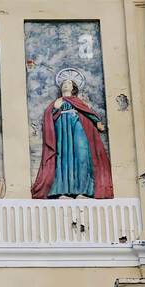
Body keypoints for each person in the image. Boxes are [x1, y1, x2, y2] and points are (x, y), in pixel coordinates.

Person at [31, 68, 113, 199]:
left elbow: (87, 111)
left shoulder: (78, 101)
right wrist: (54, 109)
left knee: (82, 156)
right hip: (62, 131)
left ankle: (84, 190)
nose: (66, 85)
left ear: (74, 87)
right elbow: (49, 116)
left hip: (78, 127)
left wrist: (97, 122)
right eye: (64, 83)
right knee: (64, 158)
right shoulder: (57, 102)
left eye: (69, 83)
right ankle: (63, 190)